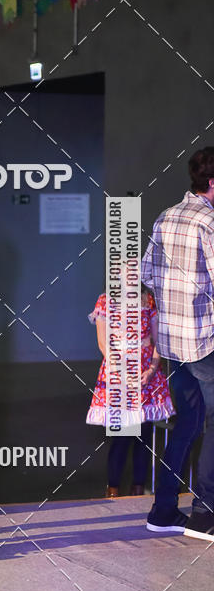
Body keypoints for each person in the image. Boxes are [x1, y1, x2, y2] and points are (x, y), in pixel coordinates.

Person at [142, 146, 214, 539]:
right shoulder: (209, 222)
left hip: (173, 341)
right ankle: (205, 514)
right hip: (206, 339)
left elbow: (148, 275)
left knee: (187, 423)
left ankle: (164, 510)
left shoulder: (166, 216)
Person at [86, 288, 174, 497]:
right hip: (118, 373)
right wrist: (120, 370)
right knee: (122, 435)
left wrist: (152, 370)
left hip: (144, 373)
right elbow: (103, 342)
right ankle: (113, 489)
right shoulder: (105, 300)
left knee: (143, 435)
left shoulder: (148, 300)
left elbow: (157, 340)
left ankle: (138, 488)